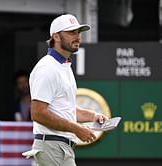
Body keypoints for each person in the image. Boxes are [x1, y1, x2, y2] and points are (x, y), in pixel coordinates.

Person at [28, 14, 108, 166]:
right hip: (52, 147)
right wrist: (77, 129)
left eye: (78, 32)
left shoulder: (63, 66)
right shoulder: (47, 68)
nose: (77, 37)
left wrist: (93, 116)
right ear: (56, 36)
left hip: (59, 148)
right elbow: (38, 113)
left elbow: (64, 109)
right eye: (71, 32)